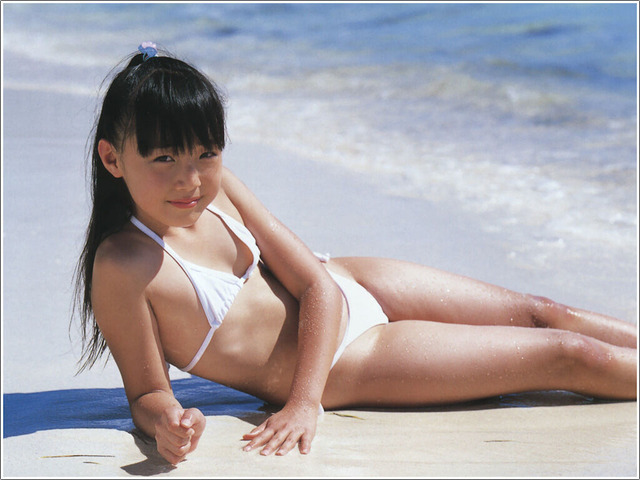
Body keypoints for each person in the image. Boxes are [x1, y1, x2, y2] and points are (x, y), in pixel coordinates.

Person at [73, 43, 637, 465]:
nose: (190, 179)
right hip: (355, 357)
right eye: (164, 159)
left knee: (543, 311)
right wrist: (168, 424)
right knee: (569, 355)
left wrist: (303, 404)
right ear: (112, 158)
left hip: (349, 284)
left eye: (206, 154)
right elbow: (147, 393)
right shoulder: (123, 267)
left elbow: (316, 285)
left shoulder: (220, 189)